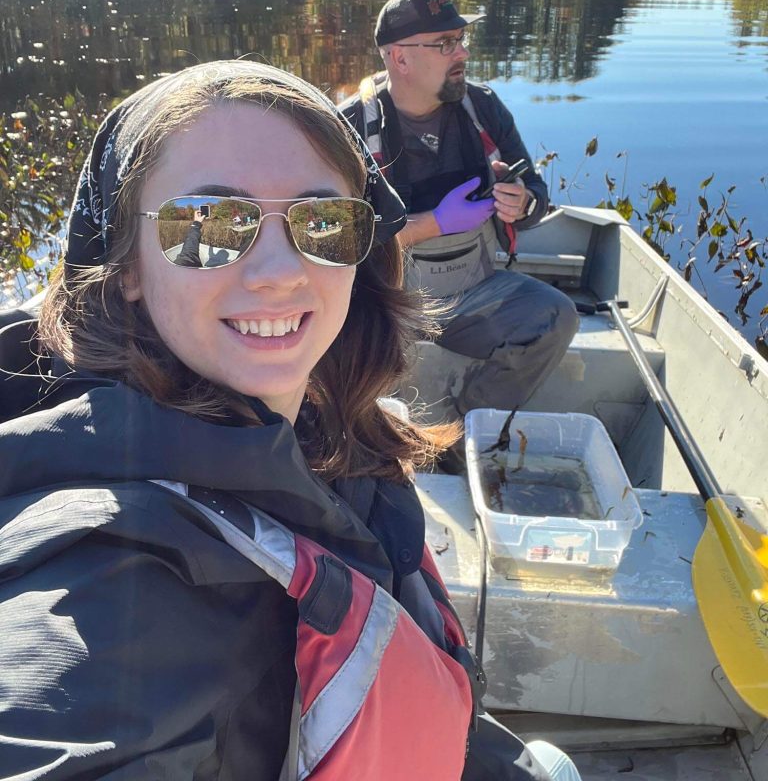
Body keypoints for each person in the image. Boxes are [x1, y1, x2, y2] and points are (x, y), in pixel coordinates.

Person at [0, 61, 581, 780]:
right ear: (127, 265)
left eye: (323, 222)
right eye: (209, 223)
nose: (278, 270)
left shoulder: (315, 424)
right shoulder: (106, 584)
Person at [341, 0, 580, 426]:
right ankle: (368, 431)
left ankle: (467, 426)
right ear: (400, 57)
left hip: (474, 294)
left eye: (461, 40)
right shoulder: (349, 128)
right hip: (388, 303)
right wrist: (434, 222)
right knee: (328, 333)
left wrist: (523, 204)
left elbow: (537, 197)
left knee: (555, 317)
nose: (463, 54)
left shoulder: (484, 108)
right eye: (445, 44)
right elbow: (336, 240)